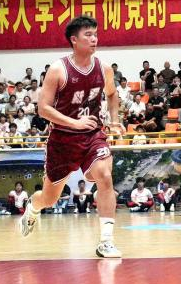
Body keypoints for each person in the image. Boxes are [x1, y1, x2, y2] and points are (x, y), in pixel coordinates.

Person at [19, 15, 124, 258]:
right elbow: (43, 109)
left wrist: (114, 119)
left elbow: (111, 94)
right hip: (63, 140)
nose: (94, 38)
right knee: (49, 199)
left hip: (92, 135)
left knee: (105, 176)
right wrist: (75, 123)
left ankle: (106, 241)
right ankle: (33, 207)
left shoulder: (104, 68)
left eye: (95, 34)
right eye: (88, 34)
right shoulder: (58, 69)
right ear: (74, 40)